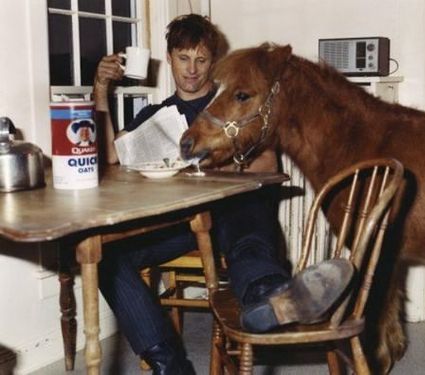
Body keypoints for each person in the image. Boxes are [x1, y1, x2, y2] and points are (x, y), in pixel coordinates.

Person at [93, 14, 353, 375]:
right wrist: (100, 92)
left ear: (212, 62)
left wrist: (214, 170)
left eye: (201, 59)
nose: (192, 69)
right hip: (179, 225)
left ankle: (271, 297)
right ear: (169, 59)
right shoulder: (156, 115)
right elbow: (109, 155)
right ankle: (171, 366)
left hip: (232, 213)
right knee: (104, 257)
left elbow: (267, 164)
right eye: (184, 58)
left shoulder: (234, 102)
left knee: (243, 219)